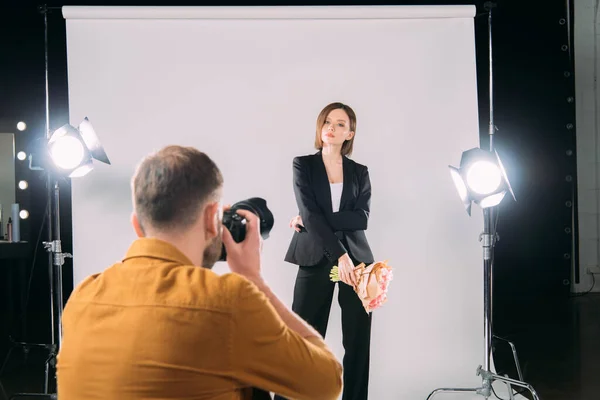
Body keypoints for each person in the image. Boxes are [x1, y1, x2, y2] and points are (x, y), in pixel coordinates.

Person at [56, 145, 343, 400]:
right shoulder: (227, 300)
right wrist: (254, 280)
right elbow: (327, 382)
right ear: (210, 219)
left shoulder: (82, 298)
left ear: (137, 226)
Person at [277, 102, 375, 400]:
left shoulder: (360, 172)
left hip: (357, 262)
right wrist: (338, 254)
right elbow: (310, 209)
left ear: (350, 133)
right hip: (315, 256)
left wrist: (310, 220)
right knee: (303, 339)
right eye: (327, 122)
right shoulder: (303, 165)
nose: (332, 128)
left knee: (358, 343)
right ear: (321, 128)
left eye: (340, 124)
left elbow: (361, 219)